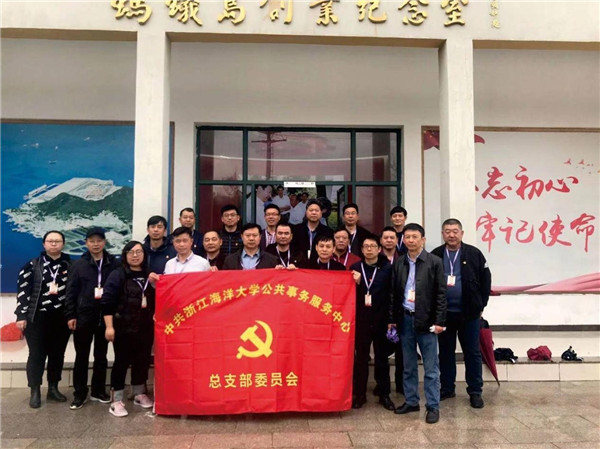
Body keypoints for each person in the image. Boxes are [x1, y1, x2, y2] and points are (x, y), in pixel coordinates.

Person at [432, 218, 491, 409]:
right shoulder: (436, 255)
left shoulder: (474, 253)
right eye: (447, 231)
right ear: (443, 234)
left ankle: (475, 391)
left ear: (462, 233)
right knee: (445, 353)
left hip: (469, 314)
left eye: (455, 231)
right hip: (444, 314)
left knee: (472, 353)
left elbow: (486, 281)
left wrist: (481, 305)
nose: (451, 235)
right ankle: (447, 388)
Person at [390, 223, 446, 424]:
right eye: (407, 237)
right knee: (408, 365)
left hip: (427, 320)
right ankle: (411, 401)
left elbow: (441, 294)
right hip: (405, 319)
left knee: (431, 368)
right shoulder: (399, 262)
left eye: (415, 237)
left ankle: (433, 406)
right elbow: (393, 294)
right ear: (403, 240)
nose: (411, 240)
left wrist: (439, 321)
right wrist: (392, 320)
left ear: (423, 239)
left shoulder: (435, 262)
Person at [65, 227, 120, 410]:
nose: (96, 244)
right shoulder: (78, 265)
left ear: (104, 242)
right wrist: (71, 315)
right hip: (84, 317)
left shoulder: (114, 264)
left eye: (99, 240)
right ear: (86, 243)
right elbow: (71, 292)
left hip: (105, 317)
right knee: (81, 356)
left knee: (101, 355)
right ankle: (79, 394)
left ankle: (98, 390)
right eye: (92, 241)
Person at [15, 230, 71, 408]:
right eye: (50, 241)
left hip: (61, 319)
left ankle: (53, 388)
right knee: (36, 354)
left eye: (57, 241)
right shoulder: (32, 265)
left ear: (63, 244)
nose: (54, 244)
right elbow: (23, 291)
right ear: (44, 244)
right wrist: (21, 315)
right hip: (37, 318)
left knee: (57, 354)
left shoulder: (70, 265)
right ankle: (35, 390)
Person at [102, 241, 156, 417]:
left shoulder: (149, 274)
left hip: (145, 327)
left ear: (144, 255)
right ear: (125, 255)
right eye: (131, 252)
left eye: (139, 252)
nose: (135, 255)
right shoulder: (117, 274)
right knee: (121, 361)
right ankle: (116, 400)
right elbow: (107, 302)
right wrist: (109, 327)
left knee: (142, 360)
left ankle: (139, 393)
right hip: (122, 326)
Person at [350, 235, 394, 411]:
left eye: (372, 246)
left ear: (379, 249)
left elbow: (392, 294)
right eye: (366, 246)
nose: (369, 249)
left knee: (382, 359)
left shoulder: (387, 268)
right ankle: (359, 395)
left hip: (381, 319)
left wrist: (391, 319)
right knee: (361, 359)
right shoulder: (355, 268)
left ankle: (384, 394)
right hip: (361, 320)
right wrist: (357, 283)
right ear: (361, 250)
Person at [379, 226, 404, 394]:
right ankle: (382, 386)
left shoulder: (404, 259)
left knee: (402, 352)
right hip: (381, 310)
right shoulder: (375, 259)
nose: (389, 240)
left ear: (397, 240)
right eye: (385, 237)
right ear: (381, 241)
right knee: (382, 352)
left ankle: (401, 385)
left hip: (401, 310)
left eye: (392, 238)